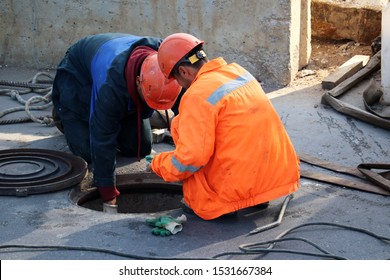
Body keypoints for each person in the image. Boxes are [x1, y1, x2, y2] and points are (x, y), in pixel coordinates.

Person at [148, 33, 300, 220]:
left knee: (195, 194)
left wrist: (158, 164)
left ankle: (226, 204)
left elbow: (190, 158)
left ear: (184, 72)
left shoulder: (197, 95)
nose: (178, 85)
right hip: (272, 176)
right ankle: (255, 195)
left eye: (175, 79)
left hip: (233, 187)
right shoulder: (238, 72)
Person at [51, 33, 182, 210]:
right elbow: (102, 137)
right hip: (79, 73)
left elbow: (188, 112)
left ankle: (121, 114)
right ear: (138, 82)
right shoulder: (110, 87)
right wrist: (108, 195)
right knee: (88, 151)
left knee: (139, 147)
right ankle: (66, 115)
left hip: (120, 75)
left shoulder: (171, 62)